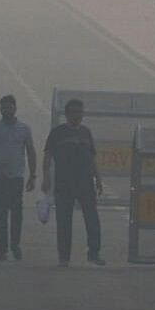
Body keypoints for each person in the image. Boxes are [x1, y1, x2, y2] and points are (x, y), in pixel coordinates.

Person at [42, 98, 105, 267]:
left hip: (85, 182)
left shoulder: (86, 132)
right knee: (64, 221)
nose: (77, 115)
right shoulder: (57, 133)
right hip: (64, 182)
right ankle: (64, 257)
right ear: (67, 114)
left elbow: (92, 158)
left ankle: (94, 253)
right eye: (74, 112)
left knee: (92, 219)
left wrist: (98, 180)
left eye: (80, 112)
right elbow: (47, 156)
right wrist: (45, 177)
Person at [0, 95, 36, 261]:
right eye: (3, 107)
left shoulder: (24, 129)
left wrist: (33, 175)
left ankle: (15, 244)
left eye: (9, 107)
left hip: (16, 177)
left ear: (15, 108)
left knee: (17, 213)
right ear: (0, 109)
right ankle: (2, 248)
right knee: (0, 213)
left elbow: (31, 152)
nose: (6, 110)